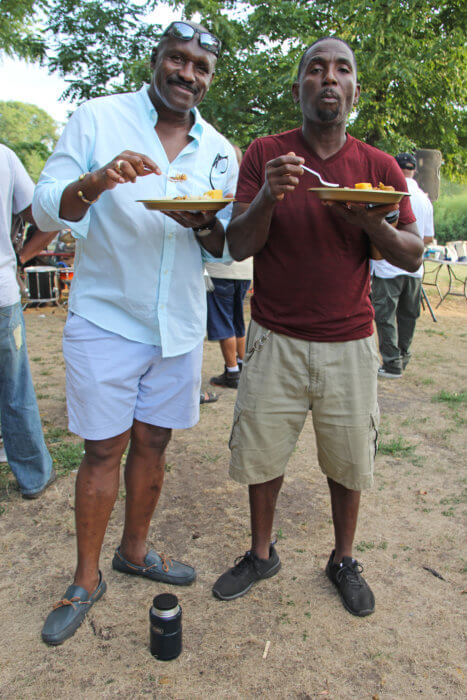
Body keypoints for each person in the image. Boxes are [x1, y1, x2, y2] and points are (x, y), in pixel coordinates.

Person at [32, 20, 238, 646]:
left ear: (207, 79)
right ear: (156, 61)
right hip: (106, 317)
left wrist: (206, 224)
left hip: (176, 325)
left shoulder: (219, 151)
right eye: (177, 59)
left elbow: (222, 243)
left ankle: (135, 552)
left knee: (154, 445)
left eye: (200, 67)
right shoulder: (98, 119)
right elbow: (45, 206)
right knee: (102, 450)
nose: (187, 74)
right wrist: (98, 180)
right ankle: (84, 578)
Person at [212, 37, 423, 616]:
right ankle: (261, 554)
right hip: (275, 337)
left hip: (350, 342)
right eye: (316, 69)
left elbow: (411, 254)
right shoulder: (265, 154)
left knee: (348, 459)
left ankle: (343, 558)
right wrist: (270, 199)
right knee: (262, 455)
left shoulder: (377, 167)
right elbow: (238, 242)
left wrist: (370, 223)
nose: (328, 78)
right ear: (299, 85)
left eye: (342, 70)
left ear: (354, 89)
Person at [0, 144, 56, 499]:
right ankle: (34, 475)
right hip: (1, 294)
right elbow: (47, 218)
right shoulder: (3, 156)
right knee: (14, 388)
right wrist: (20, 258)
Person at [372, 152, 434, 378]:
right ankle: (404, 357)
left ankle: (391, 363)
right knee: (408, 316)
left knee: (385, 317)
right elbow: (427, 238)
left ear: (395, 169)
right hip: (414, 269)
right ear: (414, 170)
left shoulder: (387, 192)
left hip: (387, 267)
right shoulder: (425, 200)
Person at [206, 144, 253, 390]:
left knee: (223, 319)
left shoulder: (220, 190)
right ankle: (244, 365)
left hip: (220, 267)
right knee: (237, 318)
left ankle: (232, 371)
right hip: (245, 267)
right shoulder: (248, 190)